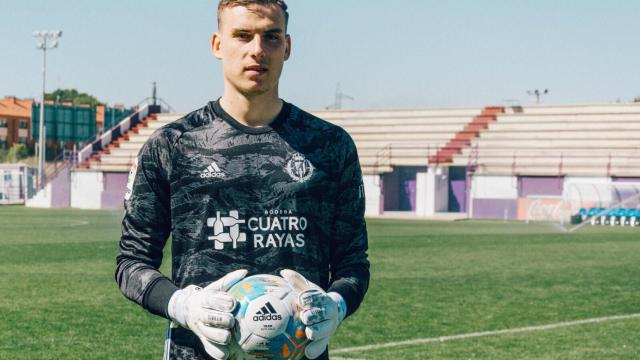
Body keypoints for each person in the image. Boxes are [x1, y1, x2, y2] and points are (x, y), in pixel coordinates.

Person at [115, 1, 370, 359]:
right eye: (243, 35)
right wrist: (183, 306)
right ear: (218, 45)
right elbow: (131, 263)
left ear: (288, 47)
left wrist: (336, 305)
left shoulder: (330, 146)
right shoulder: (173, 145)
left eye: (271, 37)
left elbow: (353, 264)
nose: (257, 50)